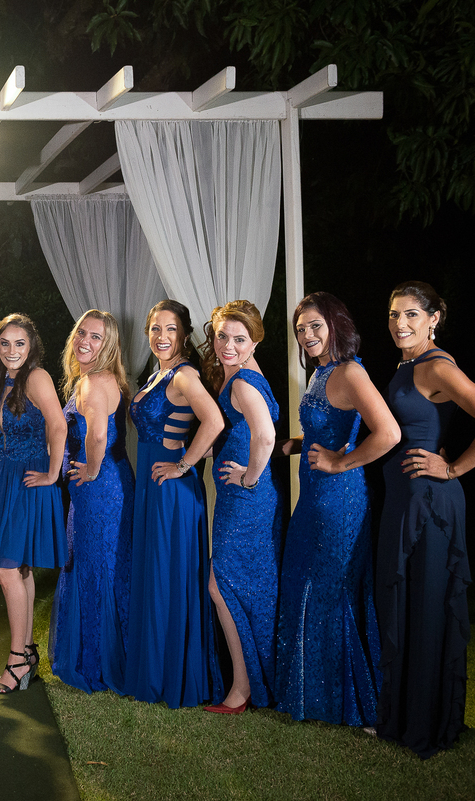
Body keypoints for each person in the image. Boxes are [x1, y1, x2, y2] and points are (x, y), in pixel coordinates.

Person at [376, 281, 475, 757]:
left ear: (434, 319)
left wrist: (452, 468)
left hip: (429, 502)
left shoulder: (436, 366)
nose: (400, 323)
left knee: (427, 608)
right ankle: (406, 717)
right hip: (406, 497)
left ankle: (427, 725)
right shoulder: (408, 364)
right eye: (394, 314)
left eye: (411, 314)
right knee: (408, 605)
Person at [275, 292, 399, 726]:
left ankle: (342, 701)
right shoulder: (321, 371)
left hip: (338, 500)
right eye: (301, 329)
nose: (307, 335)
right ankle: (311, 693)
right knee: (304, 584)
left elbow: (388, 433)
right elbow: (324, 429)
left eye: (315, 325)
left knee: (330, 591)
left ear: (335, 325)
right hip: (314, 498)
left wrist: (339, 462)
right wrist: (290, 446)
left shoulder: (349, 371)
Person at [123, 299, 224, 708]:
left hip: (170, 493)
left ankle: (170, 678)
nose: (161, 336)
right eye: (155, 328)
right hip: (154, 488)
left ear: (183, 334)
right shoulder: (158, 375)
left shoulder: (183, 375)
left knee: (168, 578)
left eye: (170, 329)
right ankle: (153, 670)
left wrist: (183, 464)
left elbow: (214, 421)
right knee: (156, 576)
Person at [198, 300, 282, 714]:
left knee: (222, 585)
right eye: (222, 337)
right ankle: (255, 680)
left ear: (254, 342)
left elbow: (265, 436)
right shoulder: (247, 372)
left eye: (239, 339)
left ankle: (243, 688)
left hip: (246, 500)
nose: (227, 346)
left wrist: (249, 477)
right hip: (249, 499)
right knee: (245, 585)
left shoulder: (243, 382)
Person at [49, 310, 135, 694]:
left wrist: (92, 469)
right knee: (107, 566)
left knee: (96, 569)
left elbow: (98, 435)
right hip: (111, 486)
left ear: (109, 345)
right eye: (82, 333)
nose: (85, 341)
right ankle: (113, 656)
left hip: (99, 490)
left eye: (96, 337)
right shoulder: (103, 378)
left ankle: (97, 663)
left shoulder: (94, 382)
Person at [0, 314, 65, 694]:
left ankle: (16, 661)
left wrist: (52, 473)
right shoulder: (5, 379)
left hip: (29, 477)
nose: (11, 350)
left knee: (6, 570)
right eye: (4, 343)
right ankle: (27, 652)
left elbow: (58, 425)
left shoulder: (36, 376)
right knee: (19, 568)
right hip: (8, 477)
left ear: (31, 347)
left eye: (19, 343)